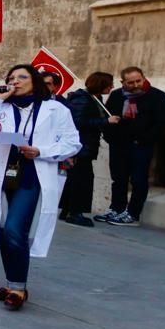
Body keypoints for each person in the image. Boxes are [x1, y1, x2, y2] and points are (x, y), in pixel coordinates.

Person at [0, 63, 80, 311]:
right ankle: (12, 283)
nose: (15, 81)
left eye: (22, 77)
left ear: (34, 81)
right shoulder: (1, 107)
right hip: (2, 173)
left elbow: (72, 142)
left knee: (15, 228)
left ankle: (19, 287)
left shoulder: (54, 109)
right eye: (11, 77)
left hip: (33, 173)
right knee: (4, 229)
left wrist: (41, 151)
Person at [97, 66, 165, 226]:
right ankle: (117, 208)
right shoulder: (117, 95)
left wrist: (144, 139)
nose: (135, 85)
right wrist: (110, 137)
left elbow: (164, 123)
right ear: (123, 82)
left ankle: (133, 213)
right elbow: (107, 116)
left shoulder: (157, 96)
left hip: (141, 145)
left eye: (138, 80)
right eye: (130, 82)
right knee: (118, 178)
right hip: (119, 144)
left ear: (144, 78)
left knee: (139, 180)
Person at [59, 71, 113, 226]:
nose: (112, 87)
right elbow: (78, 122)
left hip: (87, 146)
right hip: (81, 146)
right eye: (109, 84)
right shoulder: (82, 99)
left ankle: (68, 209)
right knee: (82, 180)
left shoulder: (96, 99)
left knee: (76, 179)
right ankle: (75, 212)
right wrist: (105, 121)